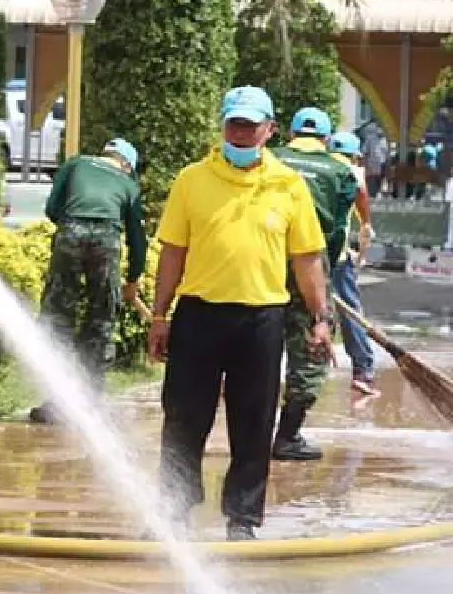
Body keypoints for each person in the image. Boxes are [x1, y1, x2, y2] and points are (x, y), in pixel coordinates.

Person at [149, 86, 332, 541]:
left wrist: (321, 317)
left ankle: (243, 519)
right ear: (223, 126)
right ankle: (173, 510)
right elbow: (174, 251)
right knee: (184, 418)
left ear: (270, 130)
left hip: (262, 318)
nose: (242, 134)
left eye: (251, 126)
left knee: (254, 422)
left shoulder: (288, 185)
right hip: (198, 315)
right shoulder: (192, 180)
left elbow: (306, 257)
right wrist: (159, 314)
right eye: (235, 124)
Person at [31, 137, 146, 422]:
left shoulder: (75, 164)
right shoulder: (128, 183)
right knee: (100, 319)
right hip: (108, 238)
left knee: (58, 315)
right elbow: (137, 239)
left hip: (70, 229)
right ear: (127, 165)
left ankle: (55, 402)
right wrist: (132, 279)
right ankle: (90, 401)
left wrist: (74, 228)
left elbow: (51, 209)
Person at [271, 107, 358, 461]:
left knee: (258, 338)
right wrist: (325, 272)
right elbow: (338, 230)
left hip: (268, 255)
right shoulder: (341, 171)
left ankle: (251, 430)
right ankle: (288, 436)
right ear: (325, 140)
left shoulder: (271, 158)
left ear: (291, 134)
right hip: (311, 258)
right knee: (312, 344)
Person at [329, 131, 378, 397]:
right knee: (350, 312)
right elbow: (362, 207)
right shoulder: (354, 173)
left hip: (297, 255)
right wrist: (366, 226)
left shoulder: (319, 168)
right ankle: (363, 371)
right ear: (355, 154)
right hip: (336, 257)